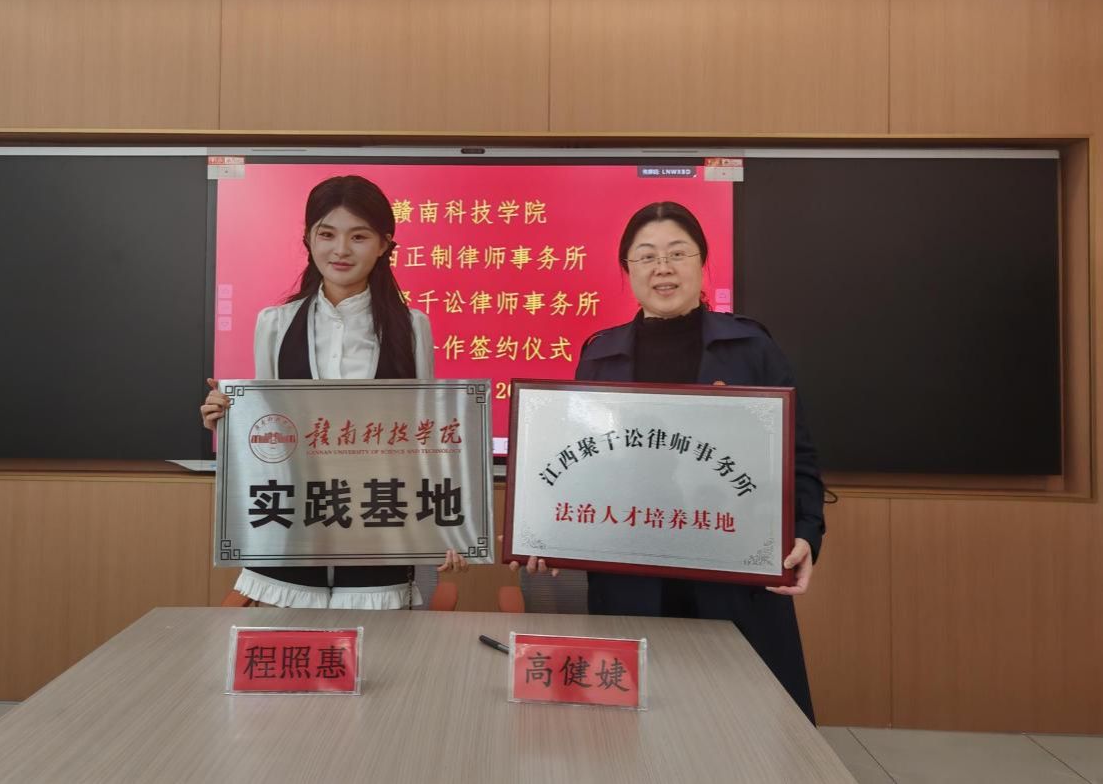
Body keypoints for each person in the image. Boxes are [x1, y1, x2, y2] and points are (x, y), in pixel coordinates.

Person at [515, 201, 825, 721]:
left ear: (702, 262)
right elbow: (580, 467)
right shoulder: (600, 356)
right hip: (630, 579)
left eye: (678, 253)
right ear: (627, 269)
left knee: (746, 728)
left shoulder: (752, 348)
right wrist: (543, 532)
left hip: (733, 575)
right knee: (636, 729)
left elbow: (800, 457)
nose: (663, 268)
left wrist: (807, 534)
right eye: (647, 256)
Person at [202, 174, 467, 609]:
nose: (341, 250)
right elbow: (269, 426)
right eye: (327, 234)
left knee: (376, 649)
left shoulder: (411, 327)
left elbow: (424, 435)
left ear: (383, 245)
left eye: (358, 236)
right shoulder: (275, 323)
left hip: (378, 520)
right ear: (308, 239)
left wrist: (447, 524)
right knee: (293, 648)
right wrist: (228, 418)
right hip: (294, 519)